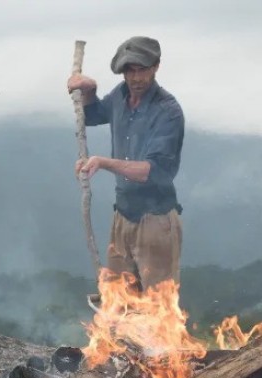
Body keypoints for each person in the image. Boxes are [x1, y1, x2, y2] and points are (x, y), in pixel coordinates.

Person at [67, 36, 185, 292]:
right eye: (130, 71)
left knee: (157, 304)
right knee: (118, 300)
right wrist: (89, 90)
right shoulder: (120, 96)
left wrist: (102, 162)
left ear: (156, 67)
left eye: (142, 69)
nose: (136, 78)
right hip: (123, 214)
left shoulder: (167, 110)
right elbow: (92, 115)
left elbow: (153, 171)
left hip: (156, 220)